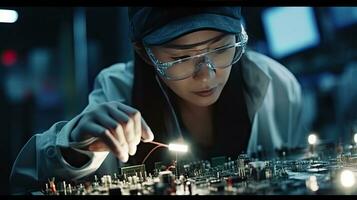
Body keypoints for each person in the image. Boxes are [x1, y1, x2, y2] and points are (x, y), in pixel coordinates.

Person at [10, 7, 304, 194]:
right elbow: (25, 179)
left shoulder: (278, 86)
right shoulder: (117, 88)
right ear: (143, 52)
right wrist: (75, 147)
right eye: (181, 57)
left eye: (221, 49)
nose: (206, 75)